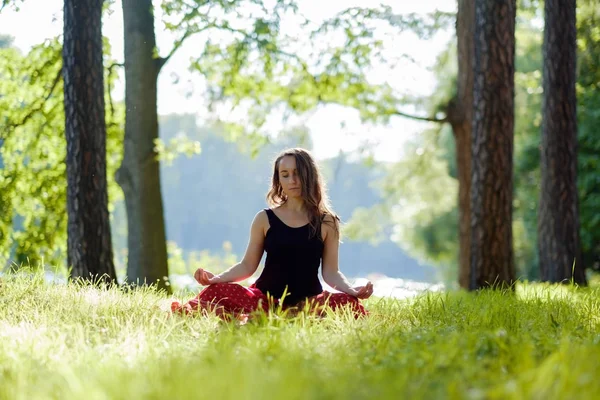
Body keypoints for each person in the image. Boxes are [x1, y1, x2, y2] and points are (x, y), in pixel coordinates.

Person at [171, 148, 373, 320]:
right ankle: (253, 315)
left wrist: (352, 290)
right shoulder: (264, 219)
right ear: (279, 180)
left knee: (348, 302)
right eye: (285, 174)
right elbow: (247, 266)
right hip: (264, 299)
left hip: (308, 302)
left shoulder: (327, 222)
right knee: (217, 291)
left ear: (309, 175)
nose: (292, 180)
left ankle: (291, 317)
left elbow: (331, 273)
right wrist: (217, 279)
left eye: (297, 173)